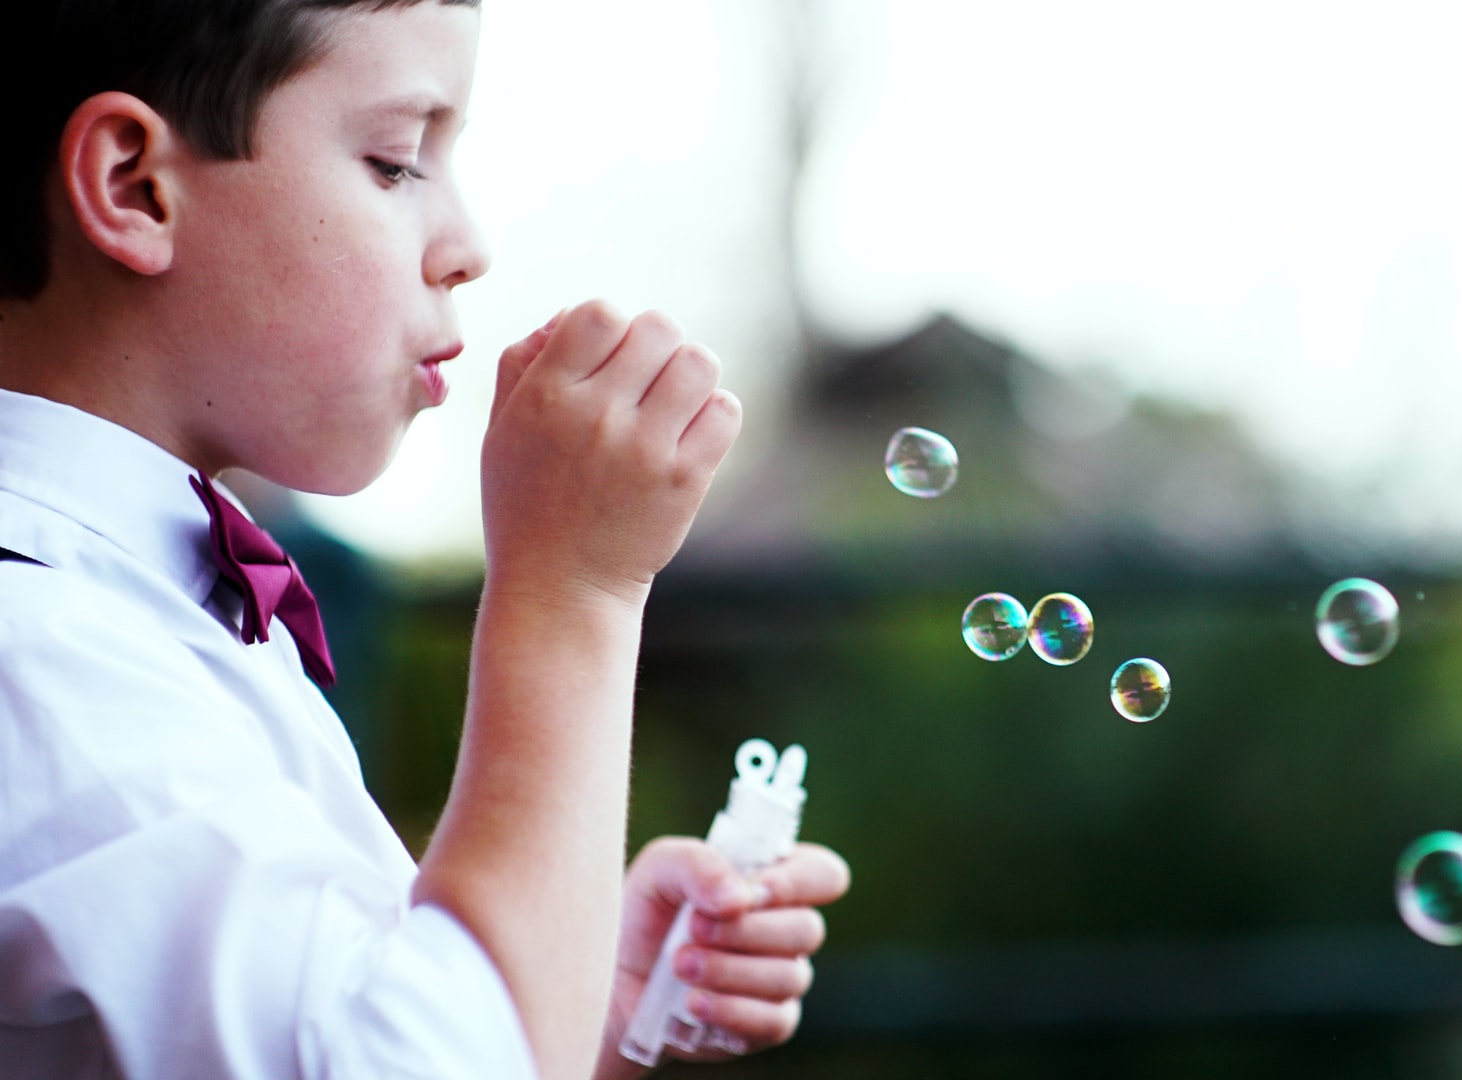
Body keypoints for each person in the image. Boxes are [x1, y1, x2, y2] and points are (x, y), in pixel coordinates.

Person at [0, 2, 850, 1078]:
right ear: (135, 186)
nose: (469, 248)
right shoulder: (42, 656)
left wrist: (567, 987)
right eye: (397, 161)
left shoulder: (125, 612)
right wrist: (573, 595)